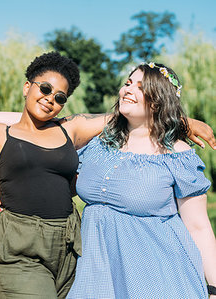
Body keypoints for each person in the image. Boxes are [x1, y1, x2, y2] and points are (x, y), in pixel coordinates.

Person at [67, 63, 216, 298]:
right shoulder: (97, 144)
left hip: (160, 278)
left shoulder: (177, 155)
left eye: (140, 87)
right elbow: (37, 129)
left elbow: (198, 226)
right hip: (97, 277)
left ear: (158, 101)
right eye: (127, 83)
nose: (127, 90)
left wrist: (214, 287)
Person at [0, 51, 106, 298]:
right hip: (19, 245)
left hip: (69, 243)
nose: (51, 99)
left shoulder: (69, 129)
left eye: (60, 97)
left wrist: (183, 122)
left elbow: (124, 118)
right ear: (27, 87)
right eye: (45, 89)